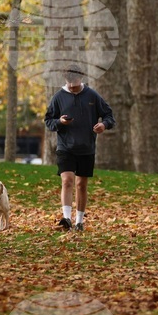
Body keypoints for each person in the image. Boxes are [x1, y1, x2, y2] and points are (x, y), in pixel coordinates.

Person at [44, 65, 115, 232]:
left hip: (86, 147)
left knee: (81, 184)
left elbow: (109, 116)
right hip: (65, 146)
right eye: (68, 83)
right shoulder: (59, 97)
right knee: (67, 181)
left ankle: (79, 221)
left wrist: (103, 125)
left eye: (74, 83)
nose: (71, 86)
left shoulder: (92, 96)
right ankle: (66, 218)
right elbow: (48, 121)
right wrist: (60, 122)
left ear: (81, 78)